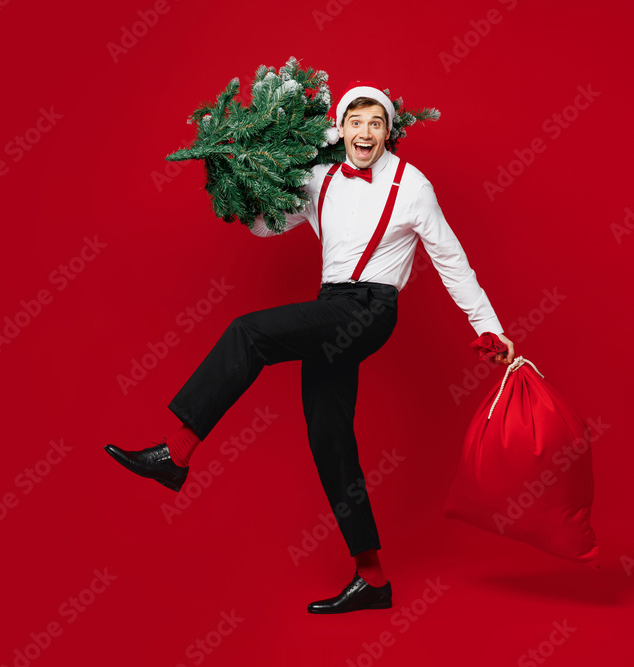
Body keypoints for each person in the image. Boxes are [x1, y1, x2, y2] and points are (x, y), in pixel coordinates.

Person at [105, 81, 515, 614]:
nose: (365, 132)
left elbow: (450, 258)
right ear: (340, 127)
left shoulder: (412, 185)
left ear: (389, 131)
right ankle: (372, 580)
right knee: (329, 438)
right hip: (330, 306)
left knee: (248, 332)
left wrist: (488, 325)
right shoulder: (320, 178)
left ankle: (175, 453)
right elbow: (265, 225)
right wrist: (234, 177)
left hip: (369, 308)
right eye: (356, 122)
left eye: (376, 124)